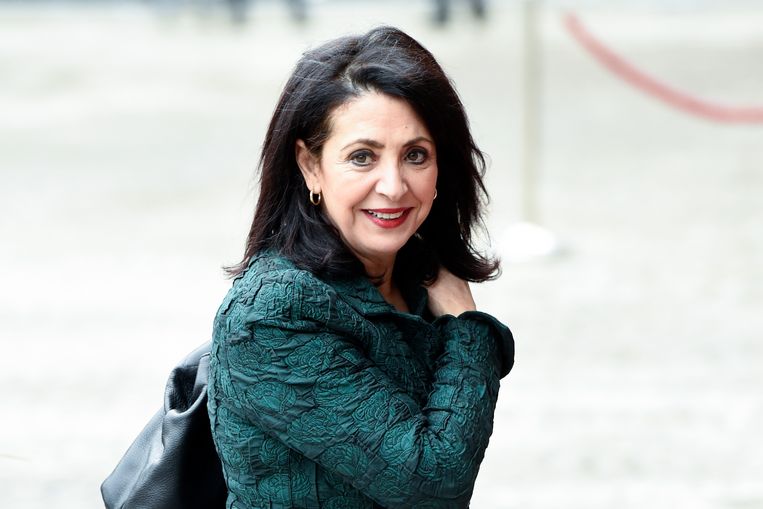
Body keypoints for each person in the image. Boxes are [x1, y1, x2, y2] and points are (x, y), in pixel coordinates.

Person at [207, 26, 515, 508]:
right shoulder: (272, 314)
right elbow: (432, 482)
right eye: (362, 157)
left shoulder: (415, 276)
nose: (393, 185)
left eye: (415, 155)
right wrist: (468, 327)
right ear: (310, 166)